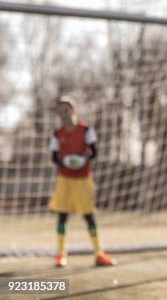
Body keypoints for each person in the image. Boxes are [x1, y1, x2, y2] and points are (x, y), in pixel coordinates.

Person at [49, 96, 115, 268]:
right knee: (62, 216)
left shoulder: (86, 130)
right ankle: (61, 255)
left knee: (89, 216)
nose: (63, 113)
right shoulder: (57, 133)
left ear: (73, 110)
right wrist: (64, 161)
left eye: (66, 109)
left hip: (83, 179)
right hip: (64, 180)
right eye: (60, 110)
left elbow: (94, 152)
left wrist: (82, 159)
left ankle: (99, 253)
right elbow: (54, 157)